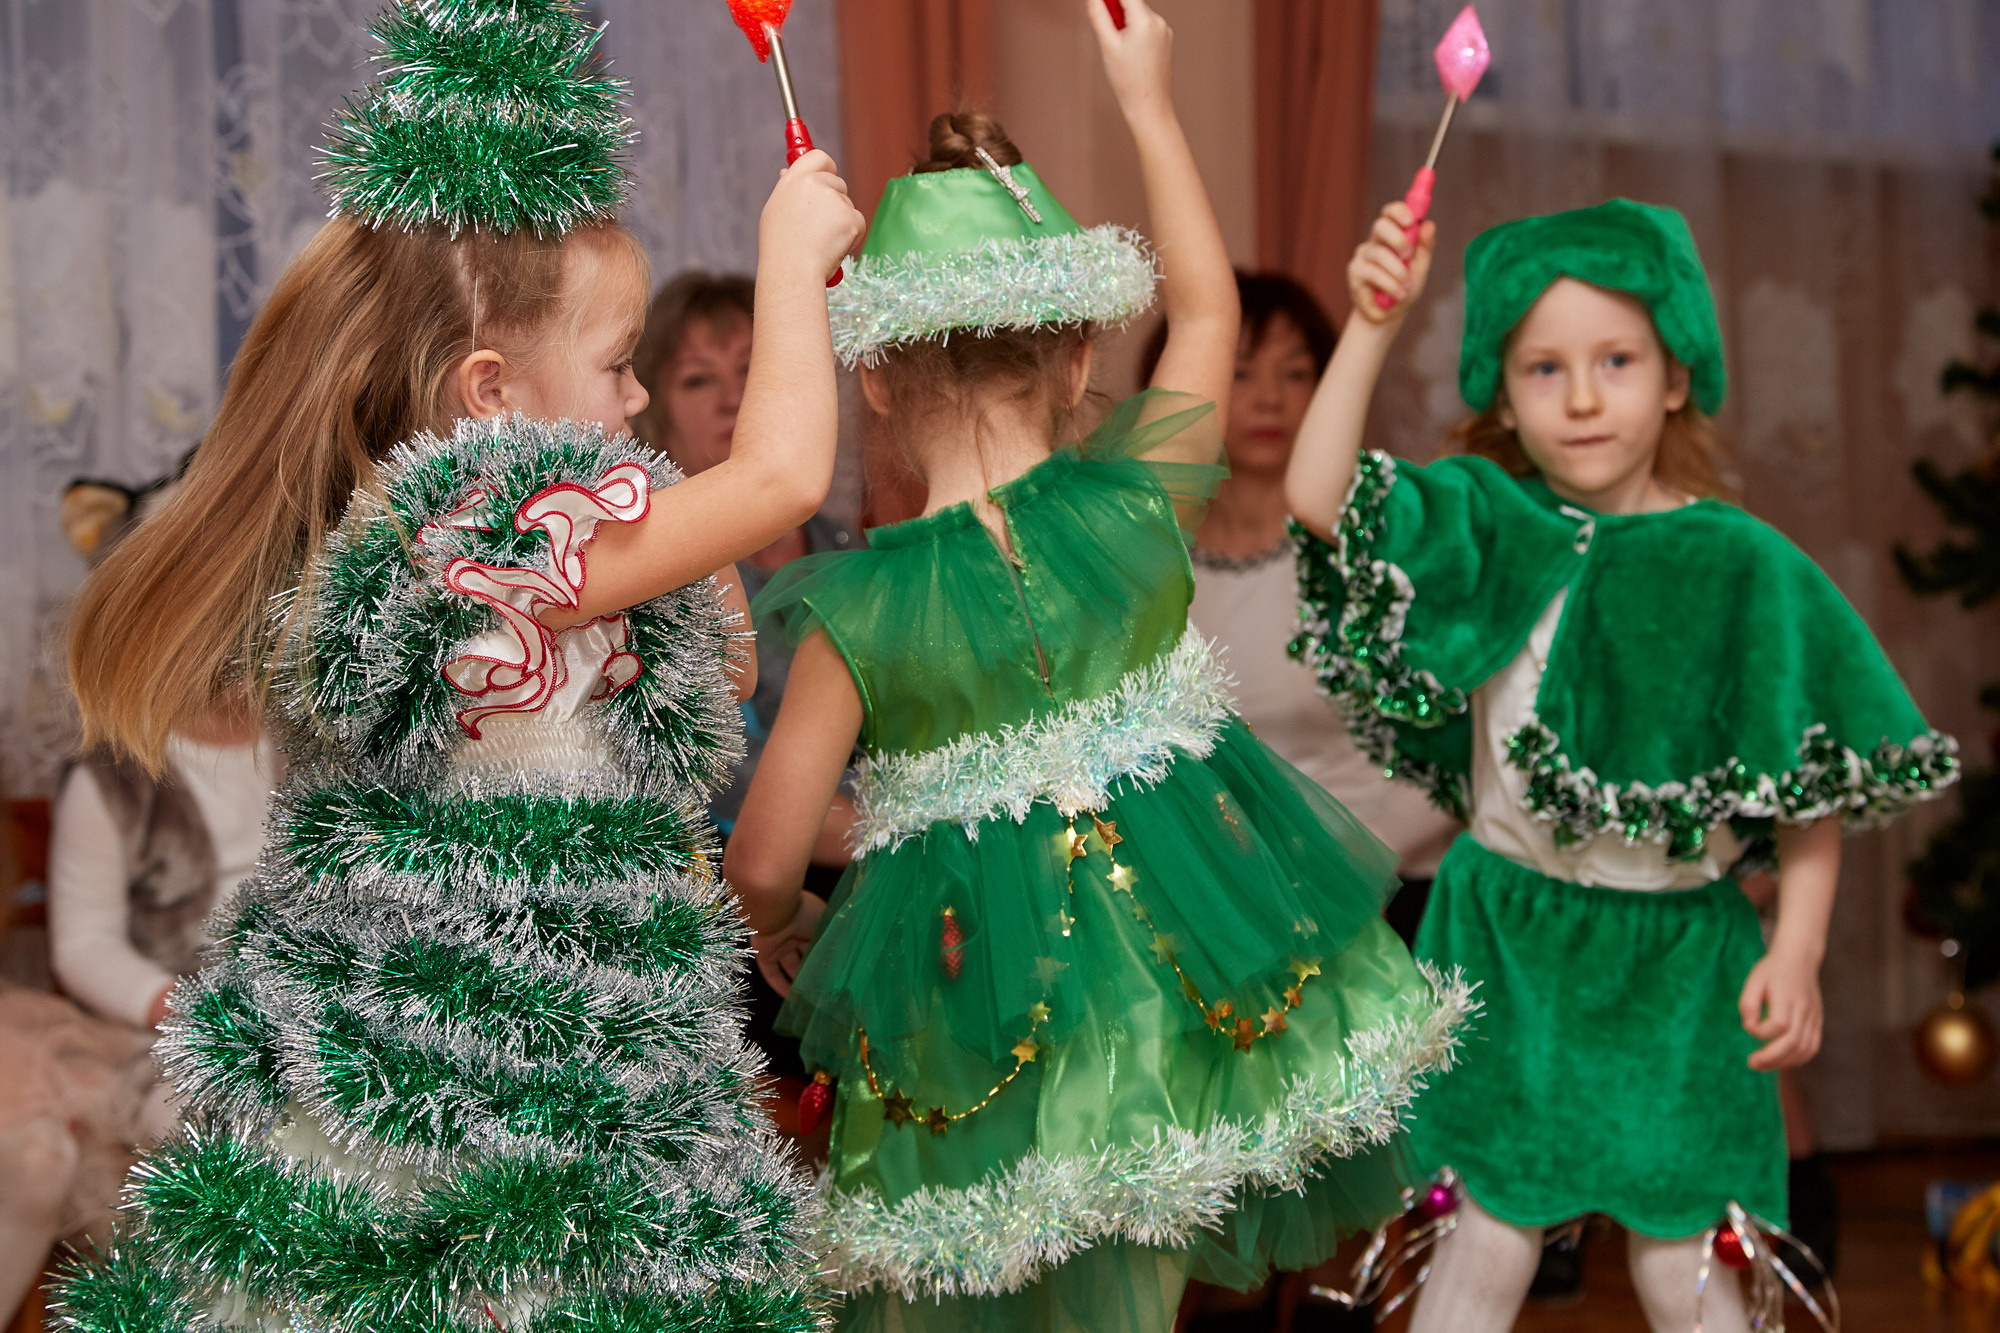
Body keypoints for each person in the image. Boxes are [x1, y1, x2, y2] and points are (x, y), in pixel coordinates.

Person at [50, 1, 865, 1328]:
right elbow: (778, 476)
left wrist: (677, 529)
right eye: (617, 364)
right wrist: (788, 262)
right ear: (491, 393)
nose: (641, 398)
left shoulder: (532, 548)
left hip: (582, 1030)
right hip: (474, 1070)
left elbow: (713, 671)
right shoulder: (475, 545)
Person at [724, 4, 1473, 1330]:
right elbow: (1207, 309)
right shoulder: (1134, 508)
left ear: (878, 387)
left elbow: (767, 855)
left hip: (959, 1002)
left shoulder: (861, 602)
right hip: (1158, 990)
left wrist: (784, 926)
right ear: (1079, 354)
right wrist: (1147, 99)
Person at [1284, 195, 1959, 1332]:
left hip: (1679, 967)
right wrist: (1368, 323)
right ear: (1500, 391)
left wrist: (1792, 951)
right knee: (1483, 1239)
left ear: (1676, 375)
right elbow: (1314, 497)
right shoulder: (1484, 522)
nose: (1584, 395)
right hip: (1504, 939)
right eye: (1543, 368)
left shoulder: (1740, 565)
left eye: (1615, 359)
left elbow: (1806, 779)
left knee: (1681, 1255)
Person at [1151, 272, 1460, 944]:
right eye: (1240, 372)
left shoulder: (1374, 555)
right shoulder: (1148, 573)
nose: (1270, 398)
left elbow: (1445, 746)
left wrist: (1351, 871)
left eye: (1296, 374)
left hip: (1390, 901)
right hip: (1216, 917)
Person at [631, 270, 863, 1087]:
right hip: (733, 892)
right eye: (700, 379)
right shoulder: (669, 571)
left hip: (870, 860)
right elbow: (723, 777)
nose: (734, 399)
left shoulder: (849, 547)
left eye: (753, 369)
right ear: (655, 411)